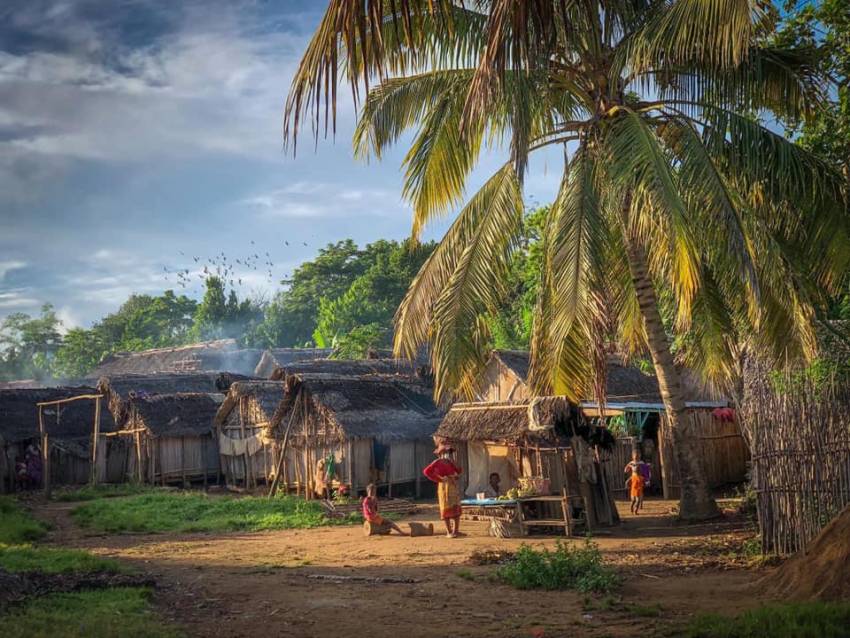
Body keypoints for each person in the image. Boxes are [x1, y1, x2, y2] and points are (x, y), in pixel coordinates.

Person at [423, 443, 463, 537]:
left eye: (449, 452)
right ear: (441, 453)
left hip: (453, 486)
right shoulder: (436, 462)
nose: (447, 454)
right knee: (446, 508)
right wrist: (439, 479)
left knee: (456, 508)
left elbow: (459, 471)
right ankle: (449, 531)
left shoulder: (450, 462)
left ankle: (456, 531)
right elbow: (426, 472)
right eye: (446, 452)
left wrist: (455, 472)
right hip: (444, 487)